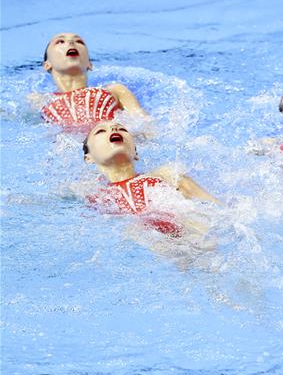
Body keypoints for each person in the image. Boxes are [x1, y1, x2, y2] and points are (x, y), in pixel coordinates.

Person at [83, 120, 219, 236]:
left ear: (136, 153)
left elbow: (216, 211)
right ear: (88, 157)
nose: (113, 129)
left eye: (122, 129)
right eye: (100, 131)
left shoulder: (167, 176)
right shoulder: (95, 196)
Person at [38, 33, 147, 126]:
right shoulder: (41, 100)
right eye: (60, 42)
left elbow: (145, 125)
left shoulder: (115, 91)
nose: (71, 42)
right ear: (47, 65)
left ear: (89, 64)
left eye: (79, 41)